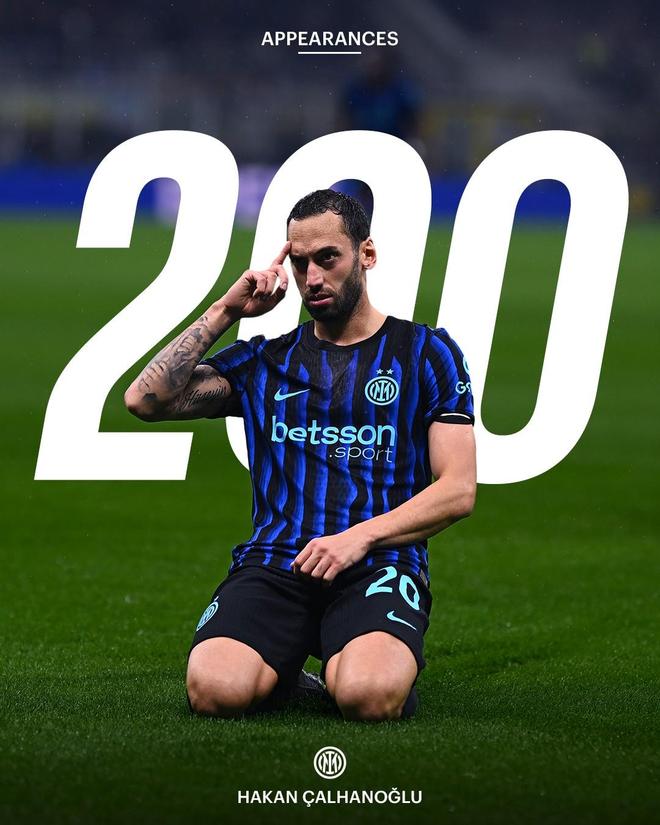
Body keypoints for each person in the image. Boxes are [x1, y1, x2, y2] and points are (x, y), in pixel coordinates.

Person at [124, 189, 476, 721]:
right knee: (214, 691)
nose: (313, 277)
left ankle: (354, 664)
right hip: (276, 562)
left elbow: (458, 490)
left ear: (366, 254)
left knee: (368, 696)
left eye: (328, 258)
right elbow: (145, 400)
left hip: (378, 564)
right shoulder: (266, 361)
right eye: (300, 261)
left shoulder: (426, 353)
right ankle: (291, 669)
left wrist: (358, 538)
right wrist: (226, 311)